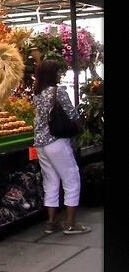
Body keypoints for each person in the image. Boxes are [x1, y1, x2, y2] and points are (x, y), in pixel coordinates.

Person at [32, 60, 90, 235]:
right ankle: (71, 223)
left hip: (40, 144)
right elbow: (72, 114)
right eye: (58, 72)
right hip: (56, 142)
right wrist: (82, 125)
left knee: (50, 181)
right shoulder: (58, 92)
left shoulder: (37, 94)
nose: (60, 75)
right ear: (51, 74)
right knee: (71, 178)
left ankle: (51, 222)